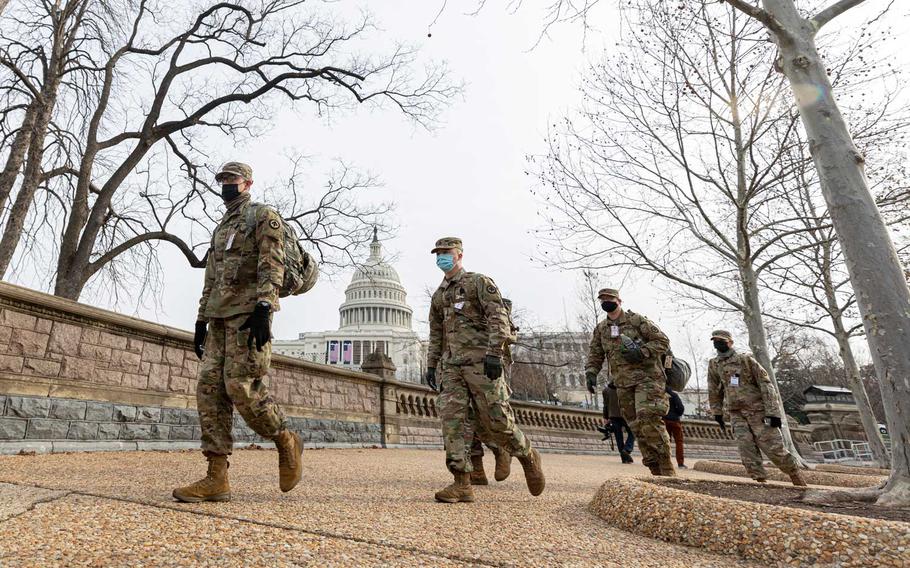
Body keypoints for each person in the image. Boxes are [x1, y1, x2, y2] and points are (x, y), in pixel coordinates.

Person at [173, 162, 303, 503]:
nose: (227, 184)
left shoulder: (261, 215)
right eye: (223, 180)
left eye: (232, 179)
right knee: (209, 392)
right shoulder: (220, 228)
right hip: (218, 319)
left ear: (247, 183)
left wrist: (265, 306)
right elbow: (211, 278)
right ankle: (216, 477)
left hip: (248, 316)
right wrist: (201, 319)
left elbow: (272, 261)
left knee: (242, 388)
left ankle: (285, 438)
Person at [426, 237, 545, 503]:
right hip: (452, 367)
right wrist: (432, 364)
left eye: (447, 252)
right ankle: (462, 482)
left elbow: (498, 317)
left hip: (482, 363)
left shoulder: (478, 283)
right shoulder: (439, 295)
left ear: (459, 255)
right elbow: (436, 333)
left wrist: (494, 353)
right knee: (453, 423)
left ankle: (527, 455)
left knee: (497, 420)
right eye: (438, 253)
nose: (442, 257)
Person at [585, 288, 674, 476]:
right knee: (636, 426)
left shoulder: (636, 320)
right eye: (602, 299)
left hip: (648, 379)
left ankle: (667, 469)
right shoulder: (601, 329)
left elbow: (662, 341)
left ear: (619, 300)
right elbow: (595, 353)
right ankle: (655, 469)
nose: (606, 301)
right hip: (623, 384)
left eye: (610, 298)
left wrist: (641, 352)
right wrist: (591, 372)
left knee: (648, 419)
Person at [707, 330, 807, 486]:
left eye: (721, 340)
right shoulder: (714, 364)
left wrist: (773, 413)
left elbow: (766, 385)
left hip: (757, 411)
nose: (717, 343)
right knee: (746, 448)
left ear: (730, 342)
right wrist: (717, 412)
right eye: (715, 341)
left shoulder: (745, 360)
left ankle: (795, 476)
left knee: (773, 446)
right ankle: (760, 481)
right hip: (736, 413)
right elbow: (714, 389)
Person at [467, 298, 518, 485]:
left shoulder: (498, 309)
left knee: (490, 417)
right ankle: (476, 468)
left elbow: (508, 335)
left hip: (490, 372)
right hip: (465, 368)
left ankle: (500, 449)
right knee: (466, 416)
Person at [596, 382, 635, 464]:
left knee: (618, 436)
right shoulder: (627, 387)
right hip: (626, 414)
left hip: (613, 415)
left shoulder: (606, 390)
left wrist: (606, 417)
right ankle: (627, 449)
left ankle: (624, 457)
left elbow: (605, 405)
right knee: (633, 432)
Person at [663, 386, 686, 469]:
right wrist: (676, 414)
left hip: (664, 420)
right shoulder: (674, 395)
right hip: (675, 421)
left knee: (665, 442)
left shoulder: (661, 395)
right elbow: (681, 408)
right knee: (679, 442)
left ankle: (665, 461)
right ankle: (680, 463)